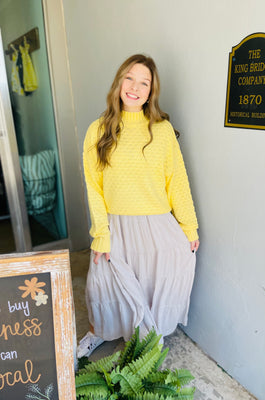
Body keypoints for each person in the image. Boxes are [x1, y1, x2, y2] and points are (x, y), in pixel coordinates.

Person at [77, 54, 199, 358]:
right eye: (130, 78)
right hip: (115, 225)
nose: (135, 87)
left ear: (151, 92)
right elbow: (94, 187)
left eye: (144, 82)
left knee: (150, 283)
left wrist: (189, 226)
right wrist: (100, 233)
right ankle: (98, 332)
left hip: (156, 224)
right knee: (102, 285)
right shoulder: (98, 129)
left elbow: (177, 182)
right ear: (119, 81)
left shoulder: (162, 130)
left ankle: (144, 338)